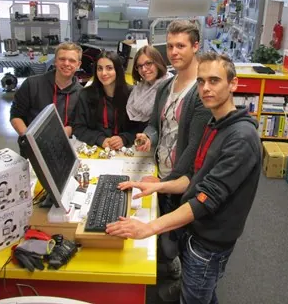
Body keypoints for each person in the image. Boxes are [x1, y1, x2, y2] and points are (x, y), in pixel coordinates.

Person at [107, 53, 262, 304]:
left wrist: (149, 228)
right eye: (201, 81)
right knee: (201, 292)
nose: (206, 88)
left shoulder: (240, 138)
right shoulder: (215, 122)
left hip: (209, 243)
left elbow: (205, 199)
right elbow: (195, 177)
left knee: (195, 298)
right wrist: (159, 186)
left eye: (214, 80)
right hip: (196, 232)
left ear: (233, 84)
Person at [134, 20, 212, 300]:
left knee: (180, 237)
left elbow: (194, 147)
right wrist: (148, 137)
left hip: (182, 180)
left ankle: (180, 276)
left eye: (181, 45)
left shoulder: (201, 91)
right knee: (165, 234)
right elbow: (156, 125)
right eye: (169, 46)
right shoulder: (166, 86)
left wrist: (166, 182)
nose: (174, 52)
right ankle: (169, 264)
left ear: (196, 46)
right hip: (162, 172)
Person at [10, 42, 83, 145]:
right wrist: (29, 139)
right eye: (62, 59)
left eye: (72, 60)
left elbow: (77, 123)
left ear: (78, 64)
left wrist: (65, 133)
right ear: (55, 61)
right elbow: (16, 115)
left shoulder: (82, 94)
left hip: (63, 145)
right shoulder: (32, 84)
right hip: (31, 145)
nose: (66, 63)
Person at [72, 51, 135, 149]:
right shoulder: (85, 95)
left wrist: (124, 138)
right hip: (97, 149)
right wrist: (100, 139)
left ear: (118, 70)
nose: (104, 73)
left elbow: (140, 127)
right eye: (100, 68)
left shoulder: (132, 94)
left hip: (127, 149)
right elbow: (78, 127)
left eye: (109, 68)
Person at [126, 45, 173, 133]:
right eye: (139, 66)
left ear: (158, 63)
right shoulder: (140, 87)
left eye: (148, 63)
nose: (144, 69)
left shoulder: (169, 88)